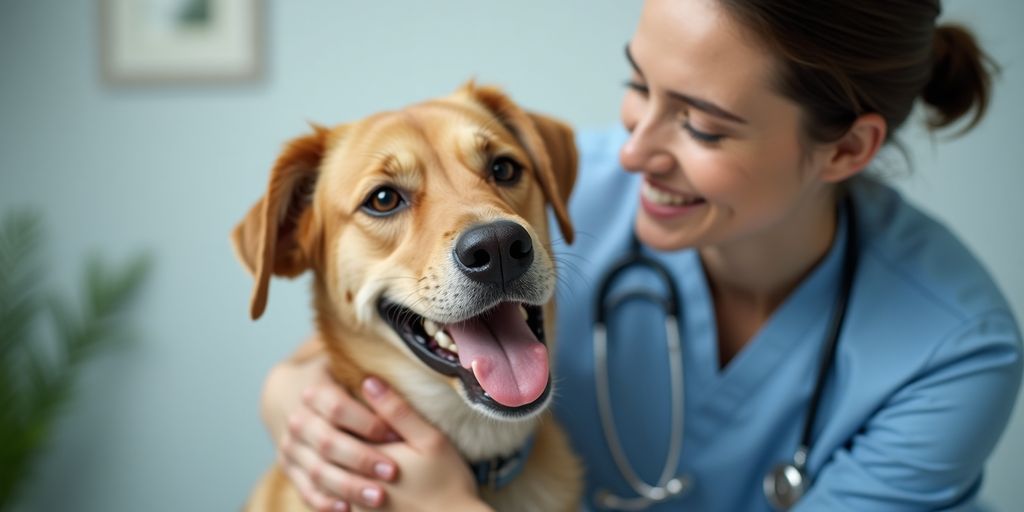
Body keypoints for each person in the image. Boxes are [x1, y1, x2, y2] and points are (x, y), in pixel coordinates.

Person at [258, 0, 1022, 510]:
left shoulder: (954, 353)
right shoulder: (556, 189)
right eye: (637, 85)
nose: (631, 152)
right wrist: (288, 394)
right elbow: (366, 326)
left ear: (846, 149)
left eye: (704, 126)